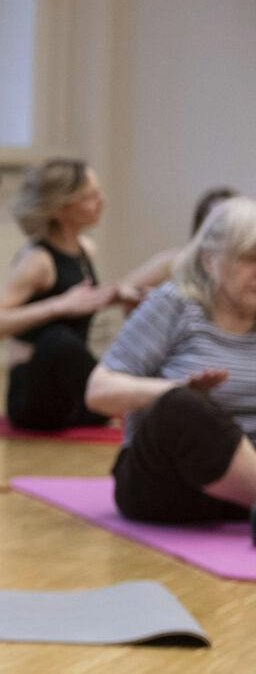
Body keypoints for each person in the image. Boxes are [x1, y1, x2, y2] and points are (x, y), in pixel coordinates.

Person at [87, 196, 256, 532]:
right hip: (168, 486)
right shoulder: (174, 304)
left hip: (236, 494)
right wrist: (176, 389)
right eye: (249, 259)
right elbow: (98, 391)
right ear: (210, 261)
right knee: (182, 406)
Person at [0, 158, 128, 431]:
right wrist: (58, 306)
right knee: (58, 341)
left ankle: (131, 398)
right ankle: (137, 401)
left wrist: (120, 294)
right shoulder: (37, 261)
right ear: (62, 208)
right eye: (90, 196)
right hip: (33, 402)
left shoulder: (85, 249)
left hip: (69, 397)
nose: (102, 201)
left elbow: (80, 302)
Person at [118, 185, 240, 300]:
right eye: (213, 221)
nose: (221, 229)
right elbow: (123, 288)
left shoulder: (246, 270)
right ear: (201, 225)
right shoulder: (176, 261)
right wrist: (158, 298)